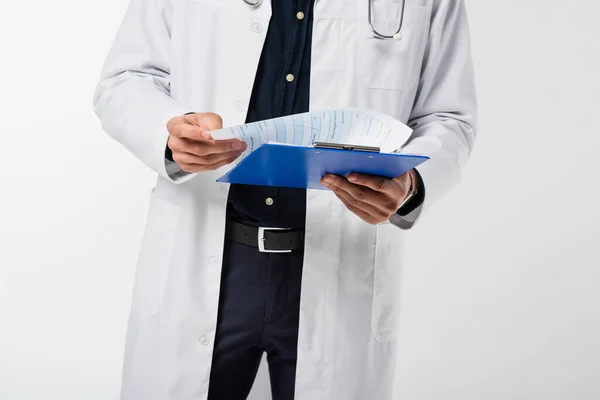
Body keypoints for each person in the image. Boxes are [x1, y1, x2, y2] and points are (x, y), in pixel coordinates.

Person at [93, 0, 477, 399]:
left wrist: (412, 184)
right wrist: (169, 133)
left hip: (341, 269)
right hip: (210, 253)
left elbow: (450, 118)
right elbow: (127, 77)